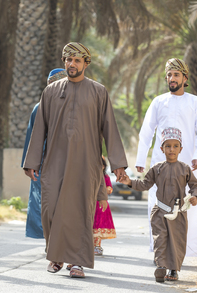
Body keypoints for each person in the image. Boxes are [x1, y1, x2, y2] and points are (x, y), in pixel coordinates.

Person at [23, 42, 127, 278]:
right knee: (50, 210)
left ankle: (77, 262)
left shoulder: (99, 92)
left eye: (77, 60)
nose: (72, 64)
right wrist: (32, 162)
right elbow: (39, 129)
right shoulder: (50, 91)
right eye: (68, 60)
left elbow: (110, 128)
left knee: (80, 211)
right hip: (54, 162)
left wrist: (118, 164)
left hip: (86, 162)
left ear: (86, 63)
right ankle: (56, 255)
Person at [135, 58, 197, 257]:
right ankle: (159, 251)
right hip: (160, 165)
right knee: (157, 205)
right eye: (169, 75)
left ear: (185, 78)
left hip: (188, 165)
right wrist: (141, 160)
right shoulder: (158, 102)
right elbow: (146, 132)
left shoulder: (195, 102)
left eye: (176, 74)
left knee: (189, 206)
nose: (172, 78)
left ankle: (187, 251)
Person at [120, 127, 197, 282]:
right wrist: (129, 182)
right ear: (162, 148)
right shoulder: (157, 168)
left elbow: (195, 186)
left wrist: (195, 197)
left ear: (181, 149)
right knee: (160, 239)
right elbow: (144, 184)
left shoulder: (185, 169)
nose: (172, 149)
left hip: (178, 213)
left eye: (175, 146)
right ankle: (161, 266)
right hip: (160, 212)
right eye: (168, 146)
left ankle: (173, 270)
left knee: (177, 241)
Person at [21, 68, 68, 239]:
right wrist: (29, 164)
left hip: (69, 163)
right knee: (43, 202)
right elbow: (32, 137)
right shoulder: (40, 107)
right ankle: (51, 240)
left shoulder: (77, 106)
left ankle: (63, 241)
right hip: (43, 164)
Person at [93, 156, 116, 256]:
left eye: (102, 165)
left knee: (98, 226)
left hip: (101, 206)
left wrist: (103, 190)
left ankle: (97, 247)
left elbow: (109, 189)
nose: (100, 167)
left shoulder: (105, 177)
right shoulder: (90, 176)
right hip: (90, 204)